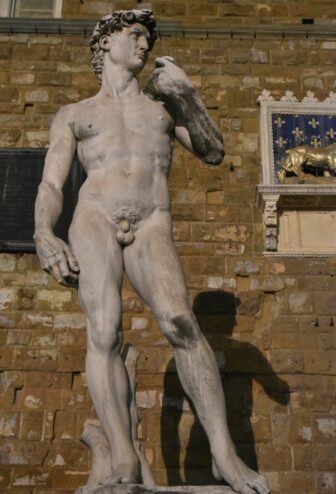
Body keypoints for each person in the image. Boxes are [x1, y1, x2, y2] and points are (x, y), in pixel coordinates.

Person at [34, 10, 269, 494]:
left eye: (148, 38)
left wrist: (187, 94)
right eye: (135, 35)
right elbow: (52, 184)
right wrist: (43, 233)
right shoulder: (75, 114)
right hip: (94, 217)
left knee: (181, 322)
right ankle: (122, 456)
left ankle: (225, 454)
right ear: (106, 44)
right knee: (104, 330)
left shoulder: (162, 108)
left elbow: (213, 151)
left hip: (152, 220)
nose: (144, 45)